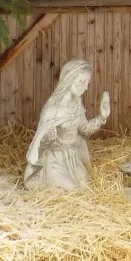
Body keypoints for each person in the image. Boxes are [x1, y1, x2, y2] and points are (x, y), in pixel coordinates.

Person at [24, 58, 110, 190]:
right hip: (54, 161)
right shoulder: (53, 109)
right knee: (72, 192)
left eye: (87, 83)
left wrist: (102, 118)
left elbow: (84, 129)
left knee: (87, 189)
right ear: (69, 80)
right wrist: (49, 137)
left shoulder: (76, 103)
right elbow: (40, 142)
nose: (86, 87)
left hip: (73, 158)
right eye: (82, 82)